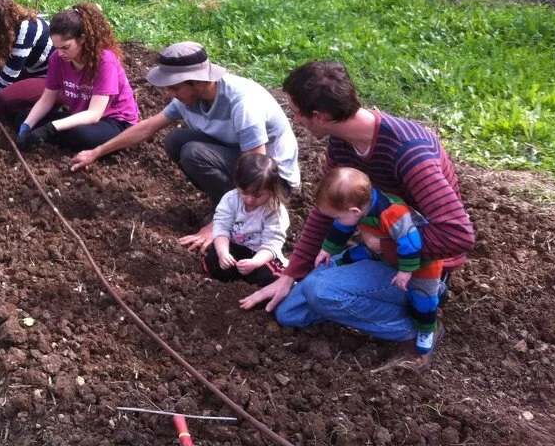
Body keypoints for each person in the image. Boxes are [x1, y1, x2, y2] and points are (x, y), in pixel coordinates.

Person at [240, 61, 474, 370]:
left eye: (296, 112)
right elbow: (325, 211)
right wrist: (290, 274)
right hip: (377, 253)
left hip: (419, 268)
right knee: (289, 312)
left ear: (320, 117)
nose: (294, 119)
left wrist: (381, 246)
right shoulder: (343, 144)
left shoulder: (409, 153)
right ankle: (352, 297)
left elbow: (458, 235)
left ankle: (417, 328)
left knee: (319, 290)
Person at [70, 42, 300, 252]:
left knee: (193, 153)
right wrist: (97, 152)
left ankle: (236, 215)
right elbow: (148, 127)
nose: (170, 94)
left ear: (197, 82)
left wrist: (218, 226)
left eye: (174, 87)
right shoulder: (189, 99)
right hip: (239, 158)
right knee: (176, 140)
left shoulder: (242, 103)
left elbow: (256, 166)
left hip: (270, 181)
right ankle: (224, 204)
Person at [313, 167, 442, 357]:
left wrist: (406, 271)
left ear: (354, 211)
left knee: (424, 298)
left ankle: (426, 329)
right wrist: (327, 249)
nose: (336, 220)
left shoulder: (392, 213)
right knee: (356, 254)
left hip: (422, 262)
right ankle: (344, 264)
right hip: (384, 250)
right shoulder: (360, 206)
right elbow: (341, 228)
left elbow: (411, 241)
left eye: (336, 216)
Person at [17, 2, 139, 152]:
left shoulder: (105, 61)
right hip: (81, 115)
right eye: (56, 47)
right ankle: (55, 138)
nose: (60, 53)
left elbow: (94, 114)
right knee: (23, 118)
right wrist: (26, 126)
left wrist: (50, 128)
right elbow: (46, 99)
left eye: (65, 47)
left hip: (114, 120)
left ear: (82, 39)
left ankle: (59, 140)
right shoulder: (56, 59)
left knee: (80, 136)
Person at [203, 153, 290, 288]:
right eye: (244, 192)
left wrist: (255, 262)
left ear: (271, 190)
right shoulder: (230, 199)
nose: (249, 199)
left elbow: (271, 244)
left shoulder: (275, 211)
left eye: (258, 195)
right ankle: (240, 277)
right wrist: (223, 253)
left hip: (260, 254)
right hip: (234, 248)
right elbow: (221, 228)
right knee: (213, 262)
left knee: (272, 277)